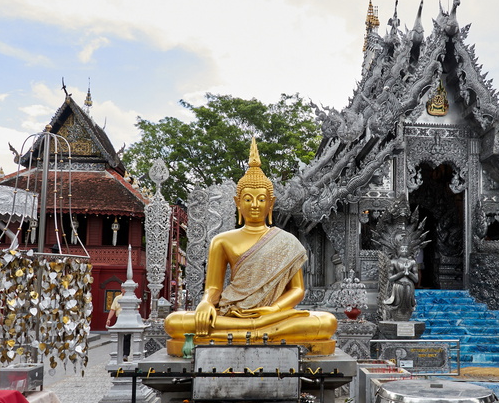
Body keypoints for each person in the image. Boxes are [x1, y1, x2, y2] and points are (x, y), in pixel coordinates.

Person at [164, 139, 337, 356]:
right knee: (174, 322)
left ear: (270, 203)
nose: (255, 205)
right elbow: (214, 288)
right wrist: (207, 303)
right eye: (248, 199)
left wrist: (273, 310)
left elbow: (297, 289)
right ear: (238, 202)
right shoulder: (223, 240)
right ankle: (259, 335)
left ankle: (242, 335)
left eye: (261, 199)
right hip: (231, 313)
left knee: (326, 321)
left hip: (272, 316)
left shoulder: (288, 241)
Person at [383, 244, 419, 321]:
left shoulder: (412, 262)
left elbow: (416, 279)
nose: (404, 251)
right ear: (398, 251)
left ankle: (406, 320)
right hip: (398, 286)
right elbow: (390, 278)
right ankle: (398, 319)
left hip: (409, 286)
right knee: (397, 303)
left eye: (406, 249)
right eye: (402, 249)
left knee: (408, 304)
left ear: (409, 251)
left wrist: (408, 272)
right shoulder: (393, 262)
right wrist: (402, 273)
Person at [106, 287, 130, 360]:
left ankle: (125, 354)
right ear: (121, 289)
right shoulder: (117, 298)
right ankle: (118, 353)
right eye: (123, 288)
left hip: (128, 319)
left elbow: (136, 308)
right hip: (119, 319)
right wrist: (108, 319)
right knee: (119, 336)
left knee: (127, 337)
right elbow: (113, 309)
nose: (125, 290)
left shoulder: (131, 297)